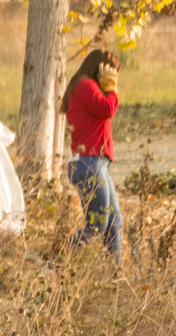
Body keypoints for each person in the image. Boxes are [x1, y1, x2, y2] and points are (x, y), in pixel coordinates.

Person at [63, 49, 123, 262]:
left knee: (114, 220)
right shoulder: (85, 85)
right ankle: (57, 265)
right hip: (89, 163)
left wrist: (108, 90)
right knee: (97, 225)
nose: (113, 78)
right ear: (101, 70)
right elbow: (107, 109)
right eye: (111, 72)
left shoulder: (85, 86)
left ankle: (117, 276)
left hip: (95, 164)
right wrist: (112, 90)